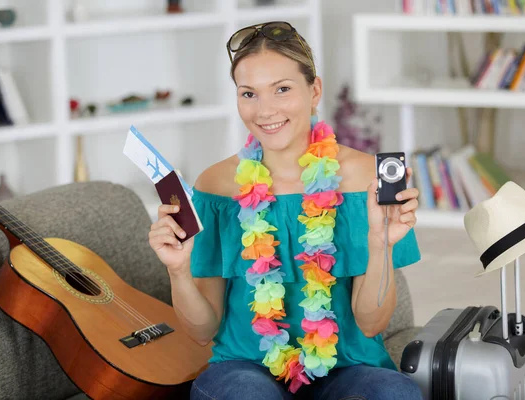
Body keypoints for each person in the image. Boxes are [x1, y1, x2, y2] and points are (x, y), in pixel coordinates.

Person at [149, 21, 422, 400]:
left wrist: (381, 244)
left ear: (315, 90)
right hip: (244, 368)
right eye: (249, 93)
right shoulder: (216, 186)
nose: (265, 110)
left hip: (348, 366)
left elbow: (371, 323)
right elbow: (201, 331)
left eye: (282, 89)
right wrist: (178, 272)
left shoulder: (365, 179)